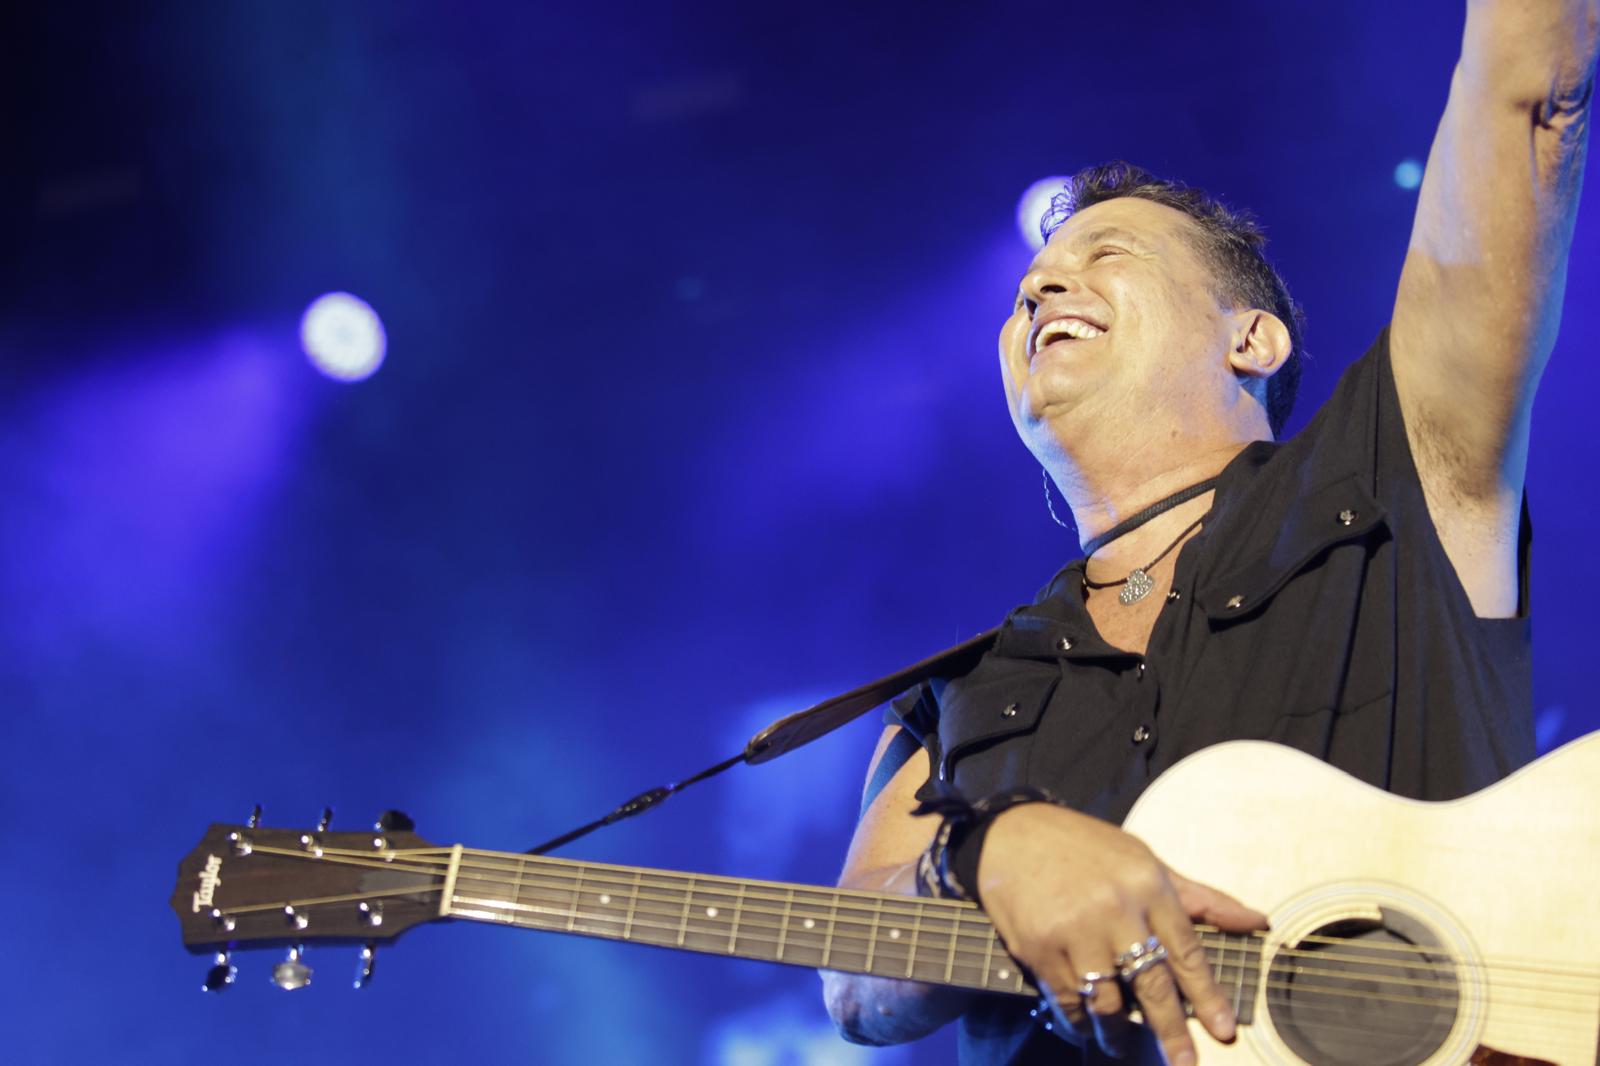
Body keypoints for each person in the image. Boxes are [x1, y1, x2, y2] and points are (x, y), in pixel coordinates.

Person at [821, 4, 1597, 1064]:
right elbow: (857, 989)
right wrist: (984, 851)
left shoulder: (1404, 472)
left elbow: (1529, 89)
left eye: (1108, 252)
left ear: (1252, 338)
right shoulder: (956, 693)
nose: (1043, 282)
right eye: (1027, 286)